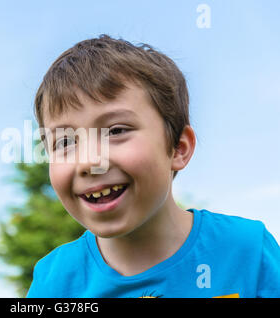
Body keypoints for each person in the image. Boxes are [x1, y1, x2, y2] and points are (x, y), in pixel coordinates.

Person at [26, 34, 280, 298]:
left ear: (178, 148)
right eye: (65, 141)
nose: (90, 161)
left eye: (116, 131)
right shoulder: (53, 282)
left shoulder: (248, 250)